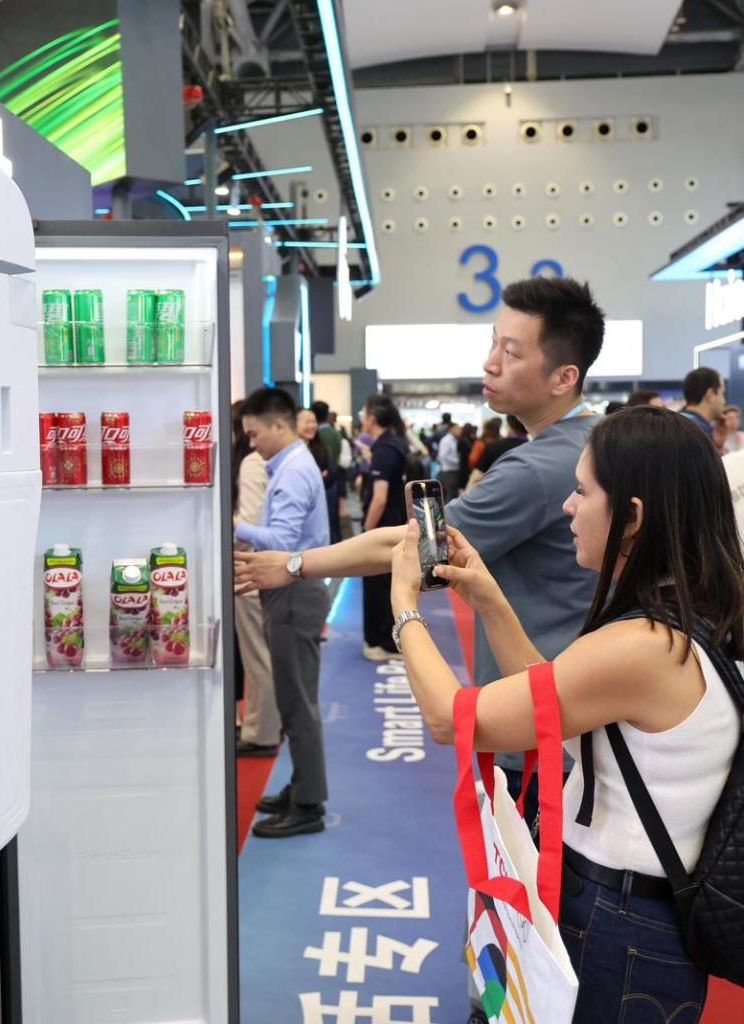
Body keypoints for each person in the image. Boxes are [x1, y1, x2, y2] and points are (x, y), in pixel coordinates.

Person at [388, 405, 743, 1023]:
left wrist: (402, 605)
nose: (568, 509)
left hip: (617, 930)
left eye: (583, 492)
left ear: (632, 517)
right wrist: (493, 602)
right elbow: (558, 699)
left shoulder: (645, 646)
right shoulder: (683, 622)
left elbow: (453, 718)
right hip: (626, 919)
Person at [237, 275, 605, 815]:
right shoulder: (593, 442)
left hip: (540, 730)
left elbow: (414, 541)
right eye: (493, 343)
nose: (490, 363)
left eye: (511, 351)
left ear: (563, 377)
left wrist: (296, 564)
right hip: (569, 713)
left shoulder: (540, 466)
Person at [235, 387, 331, 838]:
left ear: (278, 425)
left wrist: (235, 525)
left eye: (255, 434)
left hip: (294, 592)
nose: (252, 444)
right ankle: (302, 785)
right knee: (296, 699)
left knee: (296, 702)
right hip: (296, 591)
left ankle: (309, 803)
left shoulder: (291, 472)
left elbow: (283, 541)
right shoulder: (292, 465)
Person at [232, 401, 280, 757]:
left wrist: (231, 523)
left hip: (249, 566)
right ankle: (262, 724)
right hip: (266, 565)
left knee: (256, 654)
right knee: (261, 651)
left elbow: (249, 521)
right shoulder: (271, 462)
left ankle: (260, 730)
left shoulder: (251, 463)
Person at [359, 394, 409, 661]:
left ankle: (380, 642)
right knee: (388, 582)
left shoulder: (384, 449)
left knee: (377, 584)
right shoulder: (395, 444)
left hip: (382, 528)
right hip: (395, 524)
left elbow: (379, 498)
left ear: (372, 419)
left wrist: (366, 531)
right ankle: (390, 639)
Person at [465, 414, 528, 492]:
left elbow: (475, 478)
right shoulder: (535, 449)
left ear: (509, 426)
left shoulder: (492, 447)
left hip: (493, 493)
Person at [312, 400, 342, 544]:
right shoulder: (335, 434)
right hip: (334, 480)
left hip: (322, 483)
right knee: (333, 521)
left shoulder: (316, 436)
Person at [680, 366, 725, 437]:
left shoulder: (676, 422)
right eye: (722, 394)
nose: (724, 401)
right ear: (711, 395)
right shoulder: (699, 432)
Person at [297, 407, 332, 482]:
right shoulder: (288, 451)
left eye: (314, 422)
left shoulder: (322, 450)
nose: (311, 426)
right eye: (307, 422)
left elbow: (330, 477)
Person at [436, 420, 462, 502]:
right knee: (450, 495)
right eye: (457, 429)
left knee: (453, 494)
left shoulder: (454, 440)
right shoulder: (446, 440)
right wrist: (457, 461)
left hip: (453, 470)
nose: (459, 431)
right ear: (451, 429)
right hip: (448, 471)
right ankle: (448, 514)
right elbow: (443, 455)